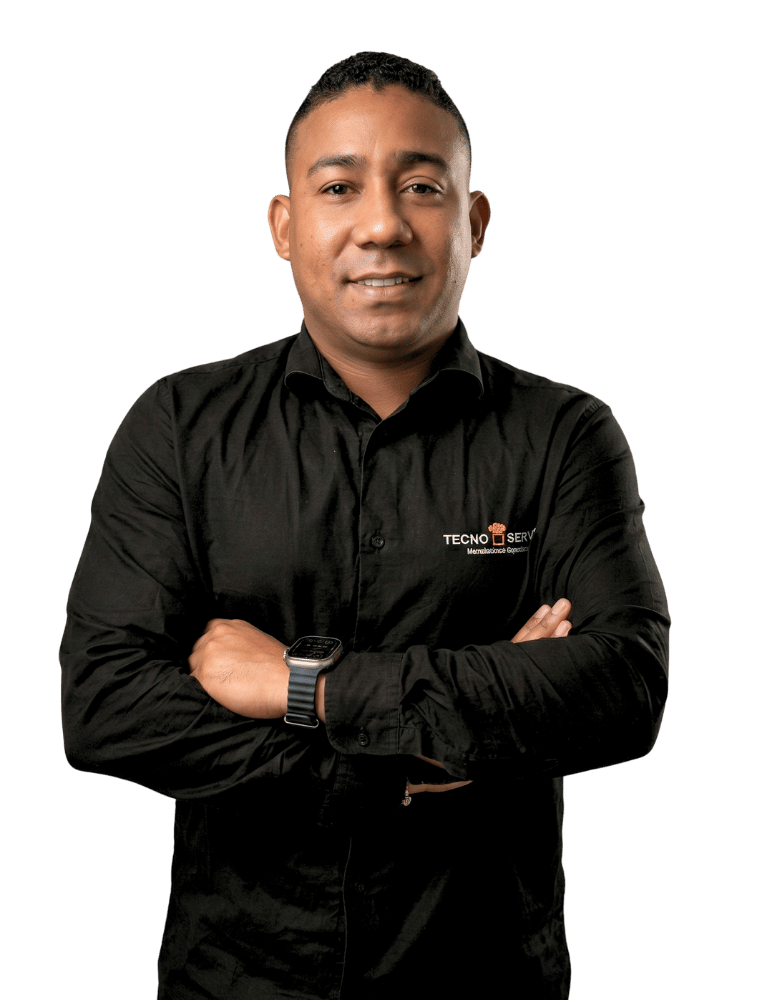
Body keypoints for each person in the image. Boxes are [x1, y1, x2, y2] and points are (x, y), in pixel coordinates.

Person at [59, 50, 670, 1000]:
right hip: (235, 982)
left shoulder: (566, 434)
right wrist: (421, 754)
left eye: (421, 186)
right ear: (284, 225)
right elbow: (106, 707)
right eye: (339, 187)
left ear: (474, 224)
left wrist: (302, 688)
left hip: (487, 979)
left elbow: (624, 686)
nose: (382, 225)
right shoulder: (178, 425)